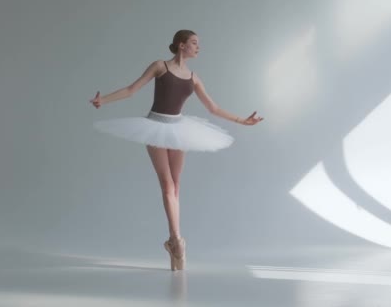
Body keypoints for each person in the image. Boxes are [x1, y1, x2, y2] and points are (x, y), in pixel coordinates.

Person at [90, 30, 263, 271]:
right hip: (155, 127)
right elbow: (132, 89)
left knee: (176, 186)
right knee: (168, 185)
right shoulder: (160, 66)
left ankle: (175, 244)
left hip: (179, 129)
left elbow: (212, 108)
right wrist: (103, 100)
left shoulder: (193, 77)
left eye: (198, 44)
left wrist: (242, 120)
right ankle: (177, 240)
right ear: (181, 45)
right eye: (194, 43)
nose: (198, 47)